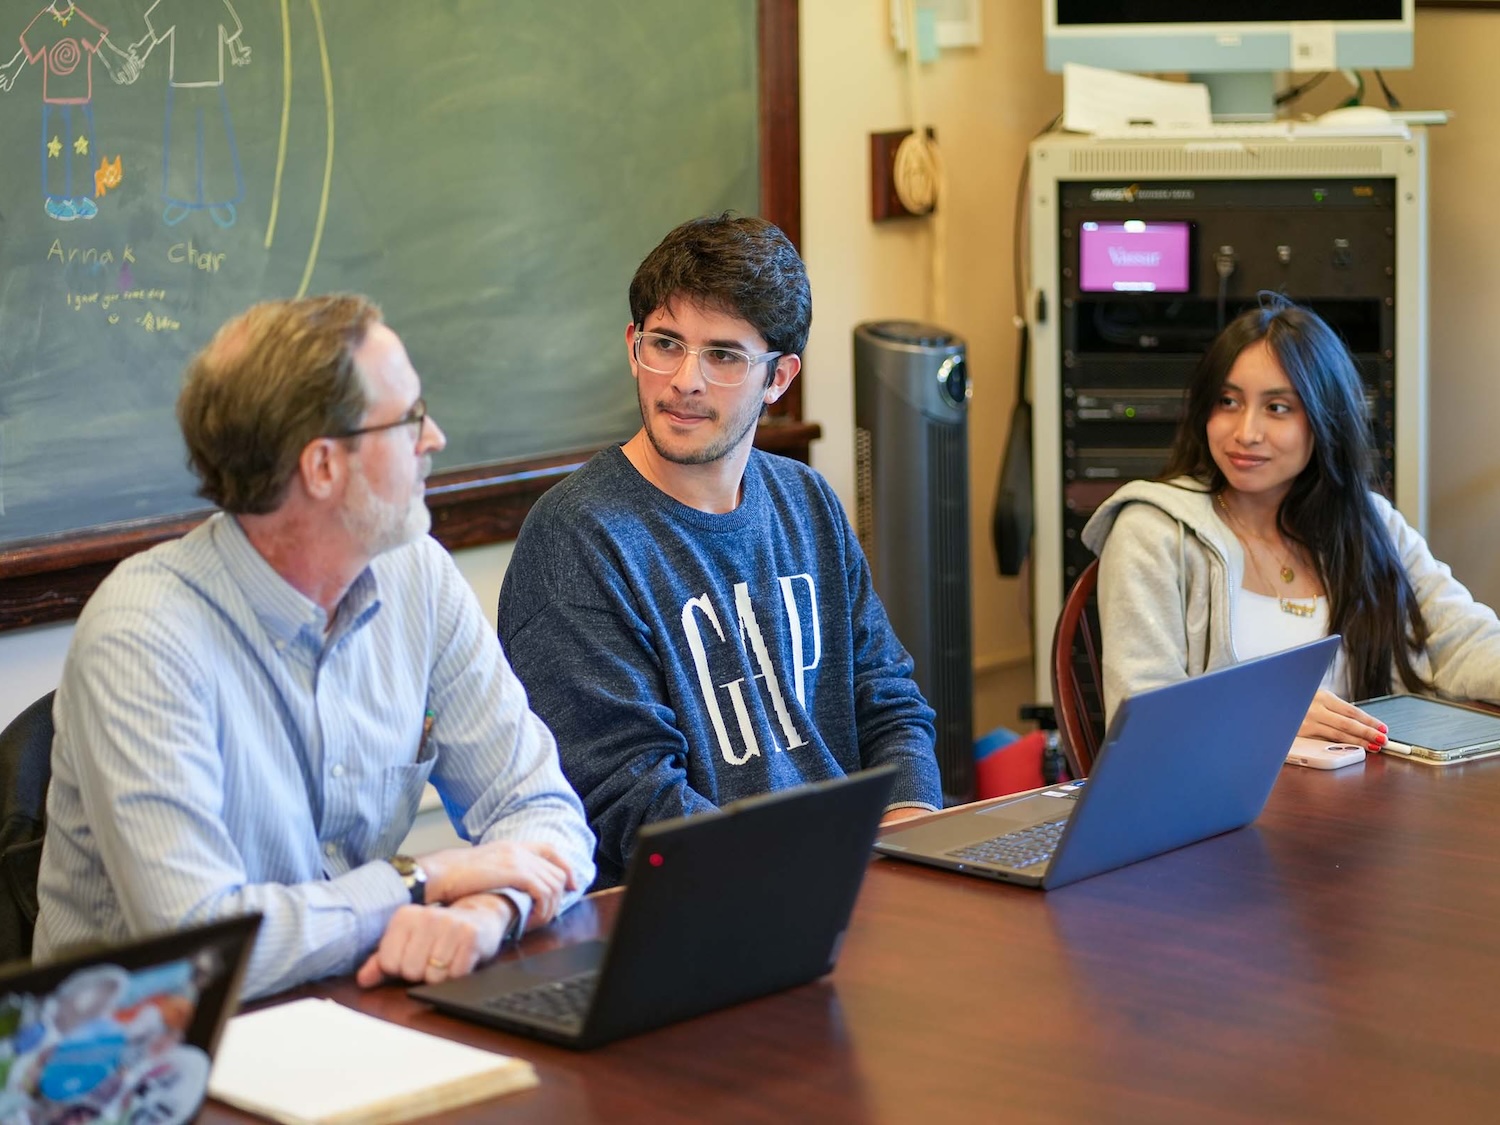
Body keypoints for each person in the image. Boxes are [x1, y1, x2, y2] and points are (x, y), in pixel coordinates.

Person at [35, 294, 596, 1000]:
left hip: (343, 1014)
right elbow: (201, 942)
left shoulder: (416, 572)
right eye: (410, 419)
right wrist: (423, 880)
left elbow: (544, 809)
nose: (436, 439)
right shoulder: (142, 634)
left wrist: (491, 909)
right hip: (141, 1069)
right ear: (323, 466)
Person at [497, 213, 941, 886]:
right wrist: (802, 881)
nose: (684, 380)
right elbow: (633, 794)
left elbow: (887, 699)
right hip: (700, 904)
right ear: (632, 344)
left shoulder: (807, 501)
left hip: (851, 880)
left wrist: (912, 842)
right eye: (665, 343)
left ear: (780, 377)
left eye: (724, 355)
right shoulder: (576, 536)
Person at [1082, 295, 1500, 748]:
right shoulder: (1151, 531)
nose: (1246, 432)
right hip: (1222, 807)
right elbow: (1141, 720)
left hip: (1369, 797)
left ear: (1325, 419)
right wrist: (1269, 711)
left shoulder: (1370, 521)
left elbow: (1463, 640)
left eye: (1277, 407)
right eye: (1227, 401)